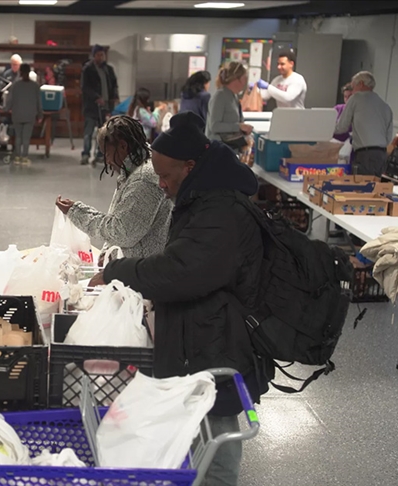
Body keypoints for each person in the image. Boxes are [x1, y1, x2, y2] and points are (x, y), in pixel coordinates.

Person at [90, 111, 268, 486]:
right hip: (204, 329)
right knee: (197, 426)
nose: (160, 184)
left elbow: (180, 270)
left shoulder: (220, 210)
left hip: (222, 339)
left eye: (166, 176)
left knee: (217, 433)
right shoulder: (202, 195)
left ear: (189, 166)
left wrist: (117, 272)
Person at [56, 115, 171, 260]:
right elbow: (119, 221)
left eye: (108, 154)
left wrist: (77, 212)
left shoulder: (143, 180)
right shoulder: (135, 168)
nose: (108, 161)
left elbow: (121, 232)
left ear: (123, 146)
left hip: (140, 272)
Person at [334, 71, 394, 177]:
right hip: (382, 154)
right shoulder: (385, 106)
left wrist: (324, 130)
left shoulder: (355, 99)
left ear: (361, 84)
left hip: (365, 154)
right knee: (374, 189)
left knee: (360, 189)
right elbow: (388, 137)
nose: (352, 92)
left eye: (353, 87)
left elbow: (342, 127)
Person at [80, 44, 119, 166]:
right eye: (98, 55)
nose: (101, 57)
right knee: (88, 132)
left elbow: (114, 85)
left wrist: (115, 97)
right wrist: (96, 97)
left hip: (105, 107)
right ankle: (85, 154)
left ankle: (99, 154)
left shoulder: (109, 69)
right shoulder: (88, 69)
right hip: (91, 107)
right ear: (94, 55)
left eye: (102, 55)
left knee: (103, 133)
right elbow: (85, 87)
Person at [206, 62, 253, 151]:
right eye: (244, 78)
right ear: (236, 79)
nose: (245, 82)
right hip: (218, 150)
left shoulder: (233, 97)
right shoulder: (220, 96)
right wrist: (239, 126)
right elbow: (214, 126)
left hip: (230, 150)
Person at [3, 64, 42, 165]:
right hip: (30, 115)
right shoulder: (35, 86)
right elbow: (39, 102)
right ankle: (25, 157)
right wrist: (40, 115)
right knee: (26, 137)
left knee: (18, 137)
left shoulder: (15, 85)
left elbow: (10, 100)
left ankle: (17, 157)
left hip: (17, 114)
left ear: (20, 72)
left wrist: (6, 109)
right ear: (29, 72)